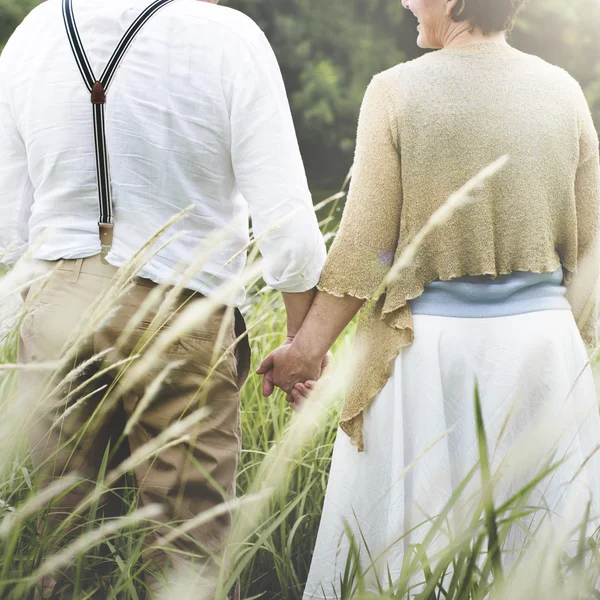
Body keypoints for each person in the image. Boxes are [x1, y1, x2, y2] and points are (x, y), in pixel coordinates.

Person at [257, 0, 600, 596]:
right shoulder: (565, 91)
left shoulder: (395, 91)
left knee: (408, 560)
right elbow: (592, 252)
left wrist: (306, 350)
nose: (407, 3)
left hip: (429, 356)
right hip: (546, 355)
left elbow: (367, 247)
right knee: (542, 552)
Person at [0, 0, 326, 597]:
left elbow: (6, 225)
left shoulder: (34, 33)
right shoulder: (227, 36)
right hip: (182, 310)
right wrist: (305, 345)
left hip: (56, 306)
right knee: (187, 551)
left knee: (57, 539)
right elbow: (289, 228)